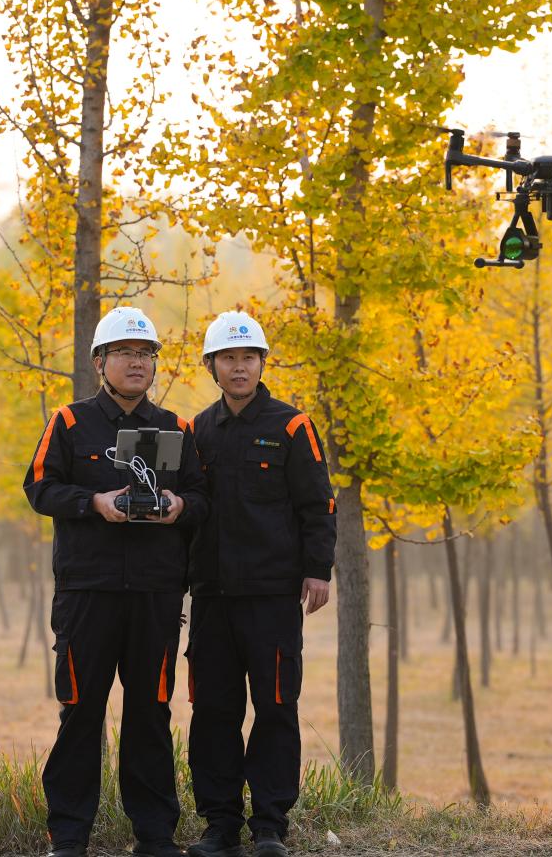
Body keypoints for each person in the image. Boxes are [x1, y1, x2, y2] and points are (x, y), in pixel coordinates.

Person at [24, 306, 208, 857]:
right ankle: (68, 836)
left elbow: (203, 499)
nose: (136, 362)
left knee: (150, 714)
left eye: (145, 353)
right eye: (124, 352)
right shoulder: (69, 422)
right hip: (88, 594)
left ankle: (155, 836)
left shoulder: (176, 428)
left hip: (156, 595)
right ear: (99, 361)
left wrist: (179, 505)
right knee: (80, 712)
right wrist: (93, 502)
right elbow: (39, 488)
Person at [184, 312, 336, 857]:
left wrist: (318, 569)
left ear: (262, 363)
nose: (239, 367)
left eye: (248, 357)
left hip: (272, 598)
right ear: (212, 366)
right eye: (228, 358)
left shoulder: (292, 426)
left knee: (274, 708)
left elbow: (318, 504)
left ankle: (270, 824)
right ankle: (220, 825)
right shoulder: (195, 432)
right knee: (213, 712)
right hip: (212, 598)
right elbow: (186, 510)